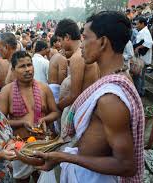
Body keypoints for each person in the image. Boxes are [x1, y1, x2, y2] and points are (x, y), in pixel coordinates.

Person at [34, 11, 145, 183]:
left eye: (85, 37)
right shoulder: (117, 77)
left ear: (102, 42)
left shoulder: (110, 99)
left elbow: (127, 165)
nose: (81, 44)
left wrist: (64, 157)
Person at [0, 51, 59, 182]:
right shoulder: (6, 91)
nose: (27, 70)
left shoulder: (44, 88)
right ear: (13, 70)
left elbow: (55, 112)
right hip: (20, 147)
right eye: (22, 66)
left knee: (43, 177)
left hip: (43, 144)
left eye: (29, 65)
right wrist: (21, 123)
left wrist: (44, 119)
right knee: (22, 180)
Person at [133, 17, 153, 96]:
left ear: (142, 24)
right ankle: (140, 91)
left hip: (143, 58)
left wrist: (138, 47)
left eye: (138, 24)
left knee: (140, 76)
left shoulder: (145, 32)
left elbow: (149, 43)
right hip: (141, 57)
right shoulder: (143, 31)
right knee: (139, 75)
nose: (136, 26)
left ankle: (140, 92)